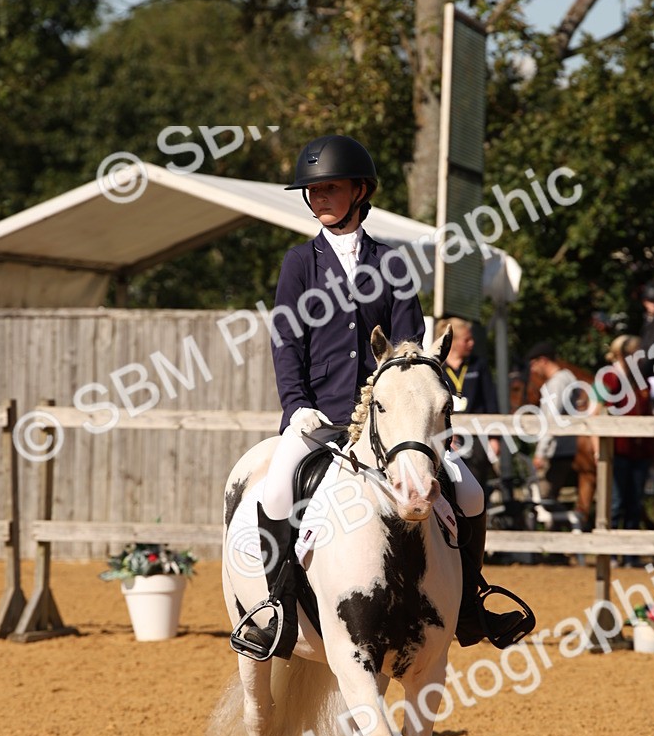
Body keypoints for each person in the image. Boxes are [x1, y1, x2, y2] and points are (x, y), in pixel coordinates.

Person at [250, 133, 531, 660]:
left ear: (360, 190)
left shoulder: (392, 263)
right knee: (275, 493)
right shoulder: (299, 263)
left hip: (392, 427)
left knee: (468, 492)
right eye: (311, 190)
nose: (318, 198)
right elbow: (286, 341)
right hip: (321, 418)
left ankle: (471, 604)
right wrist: (296, 405)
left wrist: (413, 407)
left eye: (329, 188)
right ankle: (278, 611)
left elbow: (410, 346)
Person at [593, 335, 654, 564]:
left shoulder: (641, 381)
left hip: (639, 452)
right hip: (617, 450)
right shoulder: (608, 377)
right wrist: (597, 447)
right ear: (623, 355)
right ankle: (608, 555)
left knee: (634, 505)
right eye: (634, 354)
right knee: (615, 504)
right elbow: (597, 411)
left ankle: (630, 556)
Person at [525, 339, 592, 526]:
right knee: (548, 500)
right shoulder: (566, 378)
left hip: (555, 450)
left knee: (540, 500)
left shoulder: (557, 383)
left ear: (543, 360)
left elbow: (551, 422)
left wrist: (540, 452)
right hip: (563, 448)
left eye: (534, 364)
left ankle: (573, 528)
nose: (533, 369)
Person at [439, 317, 501, 493]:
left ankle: (478, 517)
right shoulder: (437, 367)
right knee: (448, 484)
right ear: (453, 341)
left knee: (475, 485)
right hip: (445, 435)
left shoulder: (478, 365)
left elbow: (490, 401)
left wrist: (495, 437)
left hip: (475, 435)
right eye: (467, 339)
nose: (472, 343)